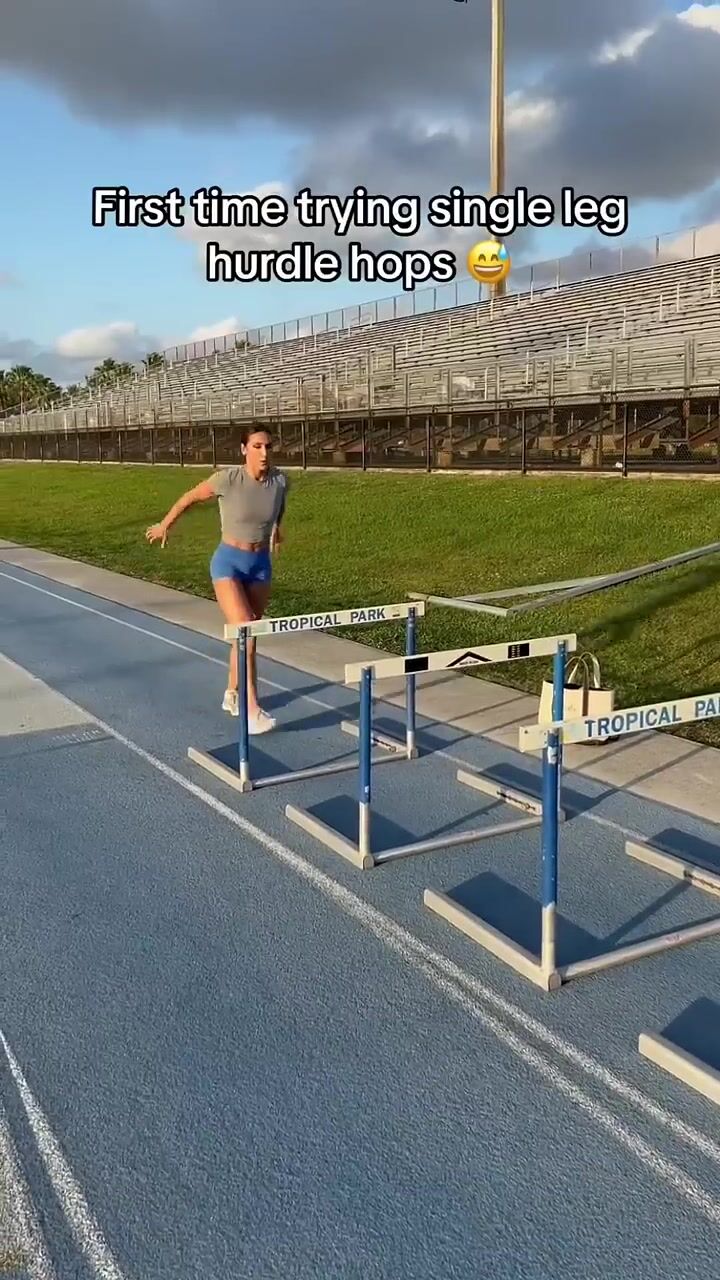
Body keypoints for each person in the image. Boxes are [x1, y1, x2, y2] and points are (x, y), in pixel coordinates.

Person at [145, 423, 288, 734]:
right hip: (228, 564)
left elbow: (278, 508)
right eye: (257, 447)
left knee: (248, 634)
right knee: (247, 632)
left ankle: (232, 693)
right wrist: (164, 525)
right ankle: (252, 711)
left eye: (268, 447)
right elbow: (189, 497)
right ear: (244, 450)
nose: (264, 453)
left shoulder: (280, 481)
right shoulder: (227, 479)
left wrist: (277, 530)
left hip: (260, 564)